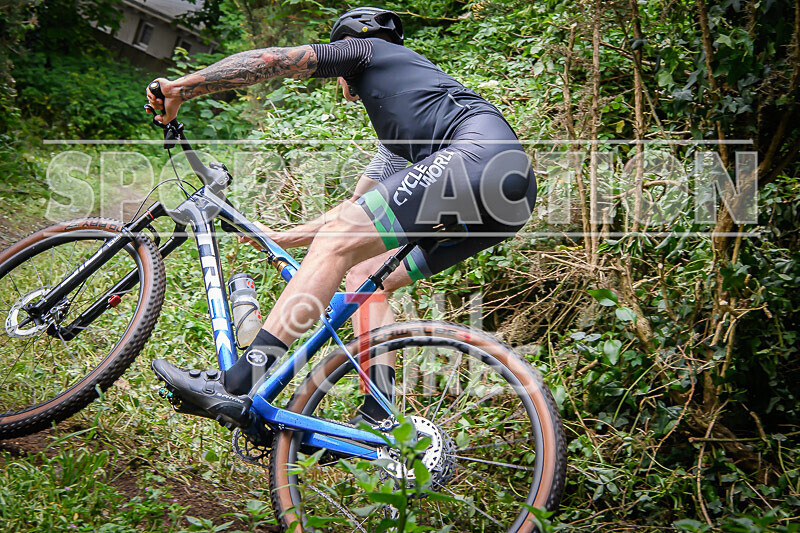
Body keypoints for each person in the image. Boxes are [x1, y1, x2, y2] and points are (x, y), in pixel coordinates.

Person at [148, 7, 537, 429]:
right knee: (368, 273)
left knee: (340, 244)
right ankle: (378, 413)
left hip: (476, 159)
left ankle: (240, 379)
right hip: (510, 197)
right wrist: (282, 236)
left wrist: (181, 88)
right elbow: (354, 214)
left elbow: (271, 61)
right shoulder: (409, 119)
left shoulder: (366, 51)